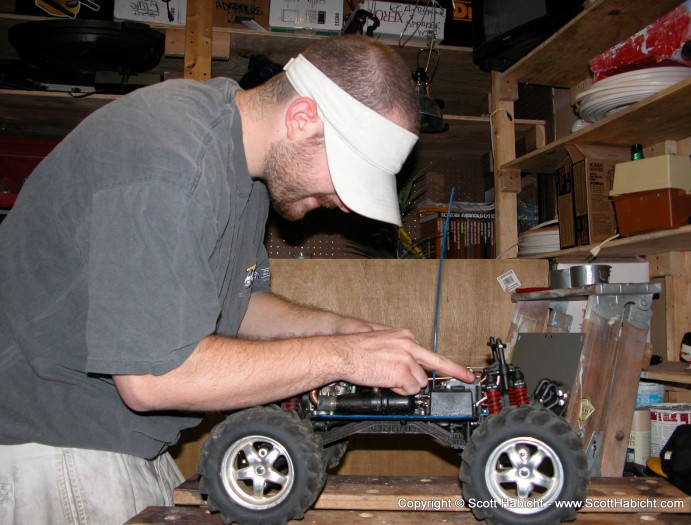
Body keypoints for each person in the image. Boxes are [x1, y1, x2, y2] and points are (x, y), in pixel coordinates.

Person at [0, 35, 474, 524]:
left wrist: (344, 332)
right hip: (51, 449)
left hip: (113, 446)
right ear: (301, 118)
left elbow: (239, 304)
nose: (345, 202)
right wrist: (345, 358)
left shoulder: (240, 166)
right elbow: (155, 377)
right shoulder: (171, 164)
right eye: (347, 174)